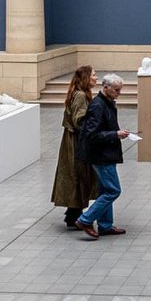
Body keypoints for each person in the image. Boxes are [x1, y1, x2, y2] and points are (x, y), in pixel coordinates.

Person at [76, 73, 132, 238]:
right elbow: (91, 134)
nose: (118, 93)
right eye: (116, 90)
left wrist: (116, 133)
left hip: (104, 153)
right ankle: (86, 219)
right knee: (113, 190)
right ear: (105, 87)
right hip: (101, 155)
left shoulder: (106, 103)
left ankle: (105, 225)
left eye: (119, 90)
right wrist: (115, 134)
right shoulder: (98, 106)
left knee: (105, 189)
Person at [51, 66, 99, 229]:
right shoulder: (80, 95)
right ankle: (75, 214)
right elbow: (80, 121)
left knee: (76, 175)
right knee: (77, 174)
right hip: (76, 142)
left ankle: (73, 212)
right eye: (93, 75)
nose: (96, 78)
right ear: (86, 77)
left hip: (74, 140)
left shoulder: (80, 93)